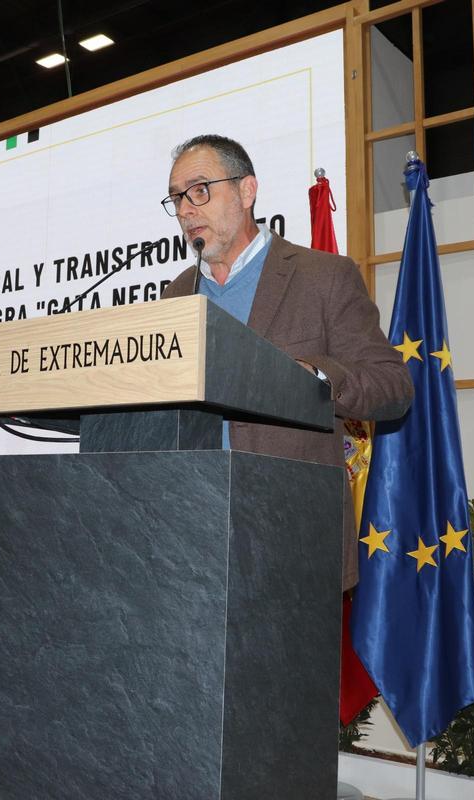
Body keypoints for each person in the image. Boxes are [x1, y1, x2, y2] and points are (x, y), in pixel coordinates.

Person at [160, 134, 413, 590]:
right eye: (177, 198)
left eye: (199, 190)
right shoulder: (178, 293)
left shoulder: (323, 277)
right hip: (193, 535)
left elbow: (392, 386)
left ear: (247, 190)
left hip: (292, 540)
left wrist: (316, 377)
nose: (185, 210)